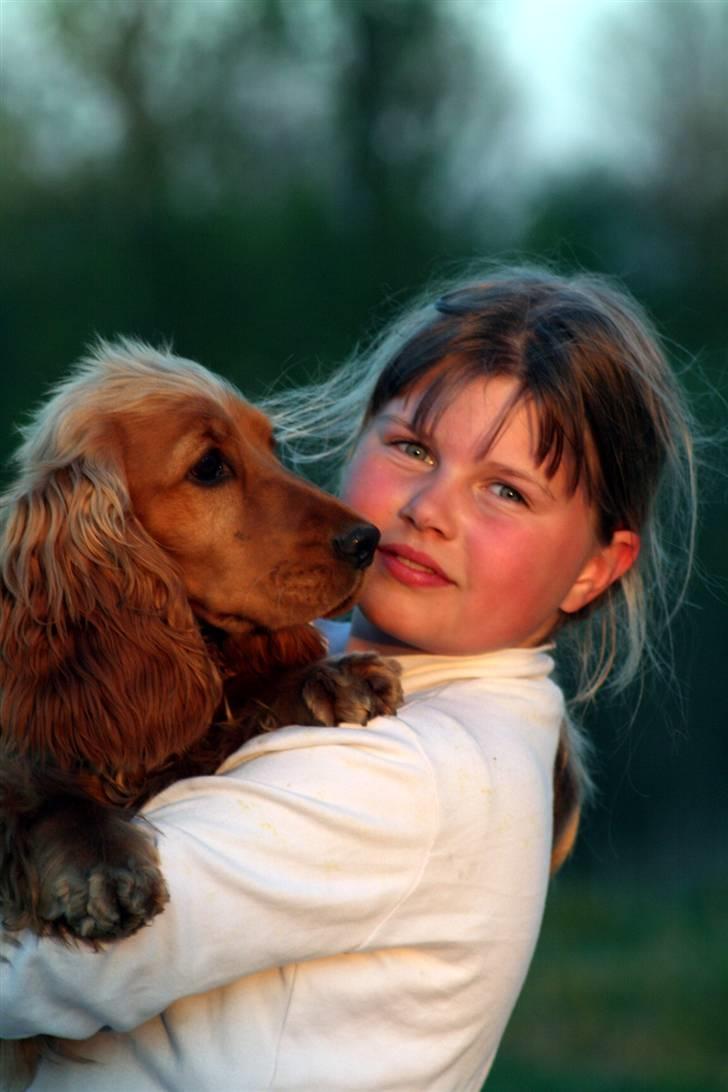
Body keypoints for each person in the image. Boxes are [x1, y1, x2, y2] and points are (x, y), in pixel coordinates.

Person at [0, 267, 697, 1091]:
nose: (430, 509)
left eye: (506, 491)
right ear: (357, 435)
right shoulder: (369, 685)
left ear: (594, 571)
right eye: (411, 448)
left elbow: (42, 974)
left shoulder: (403, 771)